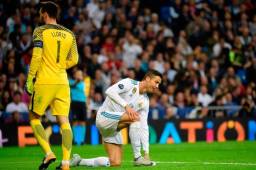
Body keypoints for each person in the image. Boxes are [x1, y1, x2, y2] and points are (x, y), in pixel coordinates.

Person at [25, 2, 78, 170]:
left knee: (34, 117)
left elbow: (37, 56)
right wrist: (60, 66)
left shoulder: (40, 31)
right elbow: (75, 59)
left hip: (44, 81)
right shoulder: (69, 34)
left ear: (45, 13)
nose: (40, 15)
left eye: (41, 12)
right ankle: (66, 163)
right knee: (64, 121)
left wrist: (30, 78)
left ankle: (49, 153)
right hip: (62, 82)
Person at [69, 70, 162, 167]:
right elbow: (109, 91)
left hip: (114, 128)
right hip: (104, 116)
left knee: (115, 162)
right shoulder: (129, 83)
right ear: (147, 78)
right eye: (156, 82)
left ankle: (79, 161)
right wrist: (126, 106)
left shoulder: (145, 101)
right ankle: (137, 157)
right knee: (135, 118)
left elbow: (144, 126)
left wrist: (146, 153)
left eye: (158, 84)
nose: (157, 86)